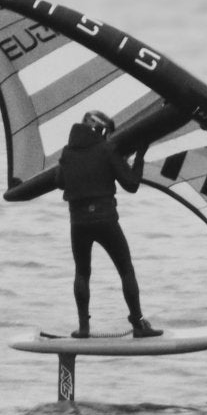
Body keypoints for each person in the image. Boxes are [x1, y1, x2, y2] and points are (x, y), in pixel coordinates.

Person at [54, 111, 161, 338]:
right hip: (105, 220)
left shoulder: (67, 152)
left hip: (78, 222)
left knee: (82, 272)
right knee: (125, 269)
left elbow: (59, 182)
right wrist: (140, 155)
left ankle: (83, 328)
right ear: (101, 131)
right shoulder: (106, 150)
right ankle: (138, 324)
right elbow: (131, 184)